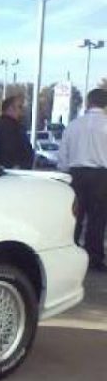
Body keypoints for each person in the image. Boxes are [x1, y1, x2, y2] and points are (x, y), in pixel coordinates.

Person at [59, 88, 107, 272]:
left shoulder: (74, 125)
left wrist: (66, 172)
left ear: (88, 102)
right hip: (101, 176)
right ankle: (94, 258)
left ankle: (70, 255)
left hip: (77, 174)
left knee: (75, 217)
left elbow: (63, 155)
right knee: (98, 219)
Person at [0, 95, 34, 168]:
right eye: (20, 107)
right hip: (13, 172)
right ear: (10, 108)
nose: (22, 110)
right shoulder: (6, 126)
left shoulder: (13, 125)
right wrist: (16, 165)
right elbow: (10, 149)